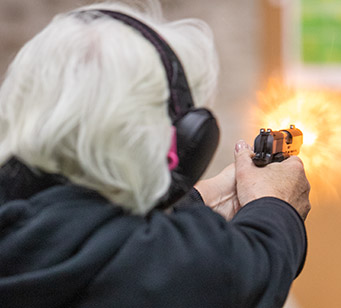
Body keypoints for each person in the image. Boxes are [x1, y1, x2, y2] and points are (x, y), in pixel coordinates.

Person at [0, 1, 311, 308]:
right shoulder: (144, 261)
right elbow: (249, 273)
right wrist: (277, 204)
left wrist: (199, 199)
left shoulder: (22, 223)